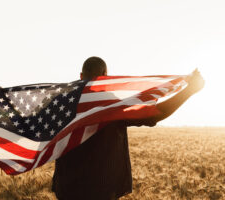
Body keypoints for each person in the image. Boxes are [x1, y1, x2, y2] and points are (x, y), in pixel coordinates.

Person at [52, 56, 204, 200]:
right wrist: (189, 90)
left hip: (67, 190)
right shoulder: (114, 105)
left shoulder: (61, 104)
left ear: (81, 75)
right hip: (103, 190)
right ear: (106, 76)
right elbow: (156, 113)